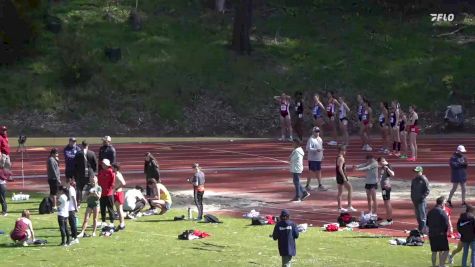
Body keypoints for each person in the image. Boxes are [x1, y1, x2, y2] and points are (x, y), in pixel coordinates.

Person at [426, 196, 450, 267]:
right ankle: (441, 265)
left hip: (431, 234)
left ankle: (434, 265)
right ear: (442, 204)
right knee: (446, 250)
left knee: (434, 252)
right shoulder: (442, 212)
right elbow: (446, 223)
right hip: (440, 234)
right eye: (444, 203)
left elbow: (427, 223)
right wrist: (445, 231)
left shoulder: (430, 212)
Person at [74, 140, 98, 205]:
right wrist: (94, 172)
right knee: (91, 187)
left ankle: (78, 203)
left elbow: (75, 165)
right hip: (90, 174)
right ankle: (91, 201)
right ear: (88, 145)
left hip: (80, 174)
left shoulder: (78, 153)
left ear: (82, 145)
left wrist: (75, 175)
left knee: (79, 189)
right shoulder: (92, 153)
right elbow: (95, 164)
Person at [305, 127, 327, 191]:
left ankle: (320, 184)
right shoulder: (311, 139)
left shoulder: (320, 139)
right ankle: (307, 185)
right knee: (311, 171)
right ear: (313, 132)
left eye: (318, 131)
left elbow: (321, 147)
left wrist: (322, 155)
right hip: (312, 159)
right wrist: (316, 150)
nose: (317, 133)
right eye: (316, 131)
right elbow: (308, 148)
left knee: (319, 171)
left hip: (318, 158)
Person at [336, 145, 356, 212]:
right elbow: (340, 169)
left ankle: (339, 208)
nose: (345, 152)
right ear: (341, 151)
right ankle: (349, 206)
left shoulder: (338, 157)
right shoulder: (341, 158)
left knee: (340, 192)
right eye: (344, 150)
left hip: (338, 176)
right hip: (342, 176)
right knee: (350, 189)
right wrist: (344, 177)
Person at [411, 166, 430, 232]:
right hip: (415, 200)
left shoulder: (424, 179)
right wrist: (412, 197)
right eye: (415, 172)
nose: (415, 173)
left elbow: (427, 190)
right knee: (418, 216)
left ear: (421, 172)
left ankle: (424, 230)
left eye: (417, 172)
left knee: (423, 216)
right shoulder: (414, 180)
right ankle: (420, 228)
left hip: (421, 201)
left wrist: (422, 197)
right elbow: (412, 189)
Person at [98, 159, 116, 227]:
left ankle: (112, 222)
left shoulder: (111, 172)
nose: (103, 165)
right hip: (102, 193)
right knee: (102, 208)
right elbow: (99, 182)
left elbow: (112, 183)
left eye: (104, 164)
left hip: (109, 194)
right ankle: (103, 221)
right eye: (102, 164)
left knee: (110, 208)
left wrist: (109, 190)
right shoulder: (101, 171)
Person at [377, 157, 395, 226]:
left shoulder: (388, 166)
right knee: (386, 203)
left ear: (381, 161)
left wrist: (387, 169)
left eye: (380, 163)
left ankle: (389, 220)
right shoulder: (383, 167)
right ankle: (388, 218)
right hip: (384, 188)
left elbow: (392, 174)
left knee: (387, 203)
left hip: (386, 188)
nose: (380, 165)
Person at [113, 163, 126, 231]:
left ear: (115, 168)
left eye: (112, 167)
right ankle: (122, 223)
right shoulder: (117, 174)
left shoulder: (117, 175)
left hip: (118, 193)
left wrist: (116, 188)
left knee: (119, 210)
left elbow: (123, 183)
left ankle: (122, 224)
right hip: (117, 192)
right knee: (118, 210)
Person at [66, 177, 79, 244]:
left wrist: (75, 207)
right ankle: (73, 236)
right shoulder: (68, 189)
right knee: (71, 224)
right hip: (68, 209)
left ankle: (75, 237)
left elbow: (74, 199)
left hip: (71, 209)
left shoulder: (71, 189)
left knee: (73, 223)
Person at [0, 149, 12, 216]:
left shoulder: (2, 169)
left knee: (2, 199)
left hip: (1, 185)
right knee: (2, 199)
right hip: (2, 184)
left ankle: (4, 212)